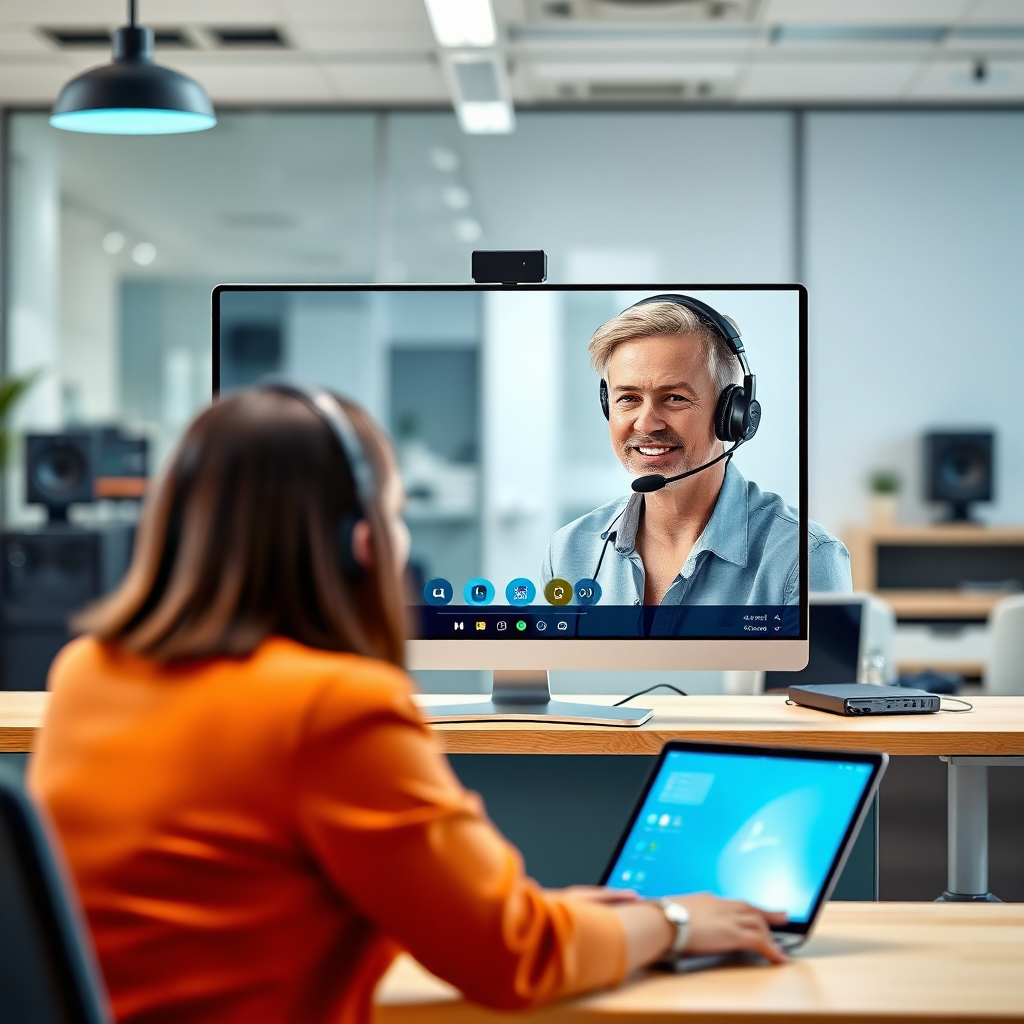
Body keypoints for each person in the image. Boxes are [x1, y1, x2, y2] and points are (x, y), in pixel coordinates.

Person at [29, 385, 786, 1024]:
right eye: (394, 513)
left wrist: (545, 914)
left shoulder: (89, 674)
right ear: (359, 544)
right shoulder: (331, 708)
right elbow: (515, 960)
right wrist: (674, 922)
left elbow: (237, 906)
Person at [542, 299, 851, 607]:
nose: (647, 423)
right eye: (628, 398)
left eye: (675, 397)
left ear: (731, 414)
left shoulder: (804, 560)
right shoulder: (569, 551)